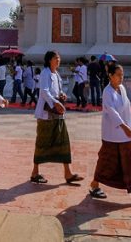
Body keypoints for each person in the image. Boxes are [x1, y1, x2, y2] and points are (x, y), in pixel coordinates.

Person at [89, 62, 131, 207]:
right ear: (110, 76)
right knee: (106, 160)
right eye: (118, 75)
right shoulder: (107, 92)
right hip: (112, 133)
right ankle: (95, 184)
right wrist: (123, 126)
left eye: (122, 74)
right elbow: (111, 110)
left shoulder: (122, 89)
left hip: (124, 134)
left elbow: (126, 109)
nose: (121, 77)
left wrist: (129, 126)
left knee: (129, 162)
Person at [31, 50, 83, 185]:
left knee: (63, 141)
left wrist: (62, 95)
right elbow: (44, 91)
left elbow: (57, 90)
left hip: (57, 113)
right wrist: (55, 102)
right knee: (42, 142)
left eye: (59, 58)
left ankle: (68, 172)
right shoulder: (45, 73)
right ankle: (35, 172)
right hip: (46, 113)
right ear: (49, 60)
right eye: (56, 58)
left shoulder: (57, 74)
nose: (58, 60)